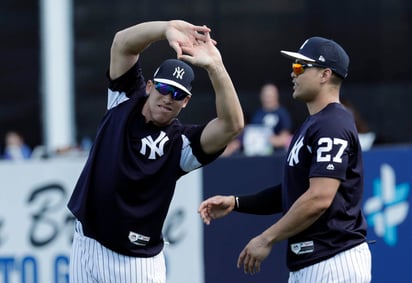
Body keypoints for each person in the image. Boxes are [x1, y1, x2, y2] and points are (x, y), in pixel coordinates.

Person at [67, 20, 244, 283]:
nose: (167, 97)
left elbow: (232, 125)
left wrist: (215, 66)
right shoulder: (124, 99)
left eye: (177, 94)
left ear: (185, 102)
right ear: (150, 86)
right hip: (86, 243)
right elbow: (122, 44)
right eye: (163, 88)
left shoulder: (182, 145)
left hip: (135, 264)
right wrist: (166, 28)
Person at [199, 36, 372, 282]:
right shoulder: (315, 123)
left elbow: (319, 197)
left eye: (300, 67)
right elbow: (294, 192)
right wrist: (236, 202)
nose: (293, 73)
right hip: (315, 262)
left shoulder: (332, 124)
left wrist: (266, 237)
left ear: (325, 75)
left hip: (334, 261)